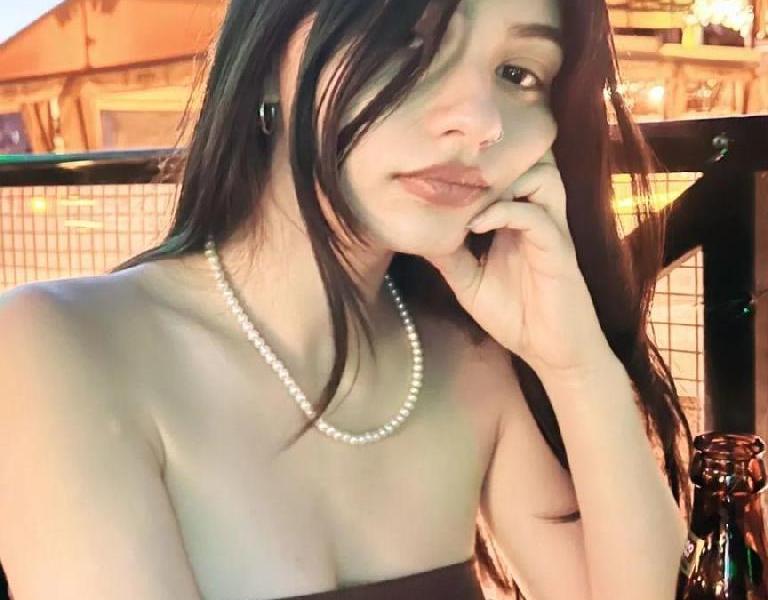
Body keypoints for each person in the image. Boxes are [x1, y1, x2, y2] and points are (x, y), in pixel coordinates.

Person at [0, 0, 693, 598]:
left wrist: (576, 365)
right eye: (409, 45)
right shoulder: (55, 348)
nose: (480, 121)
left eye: (518, 74)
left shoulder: (465, 363)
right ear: (269, 60)